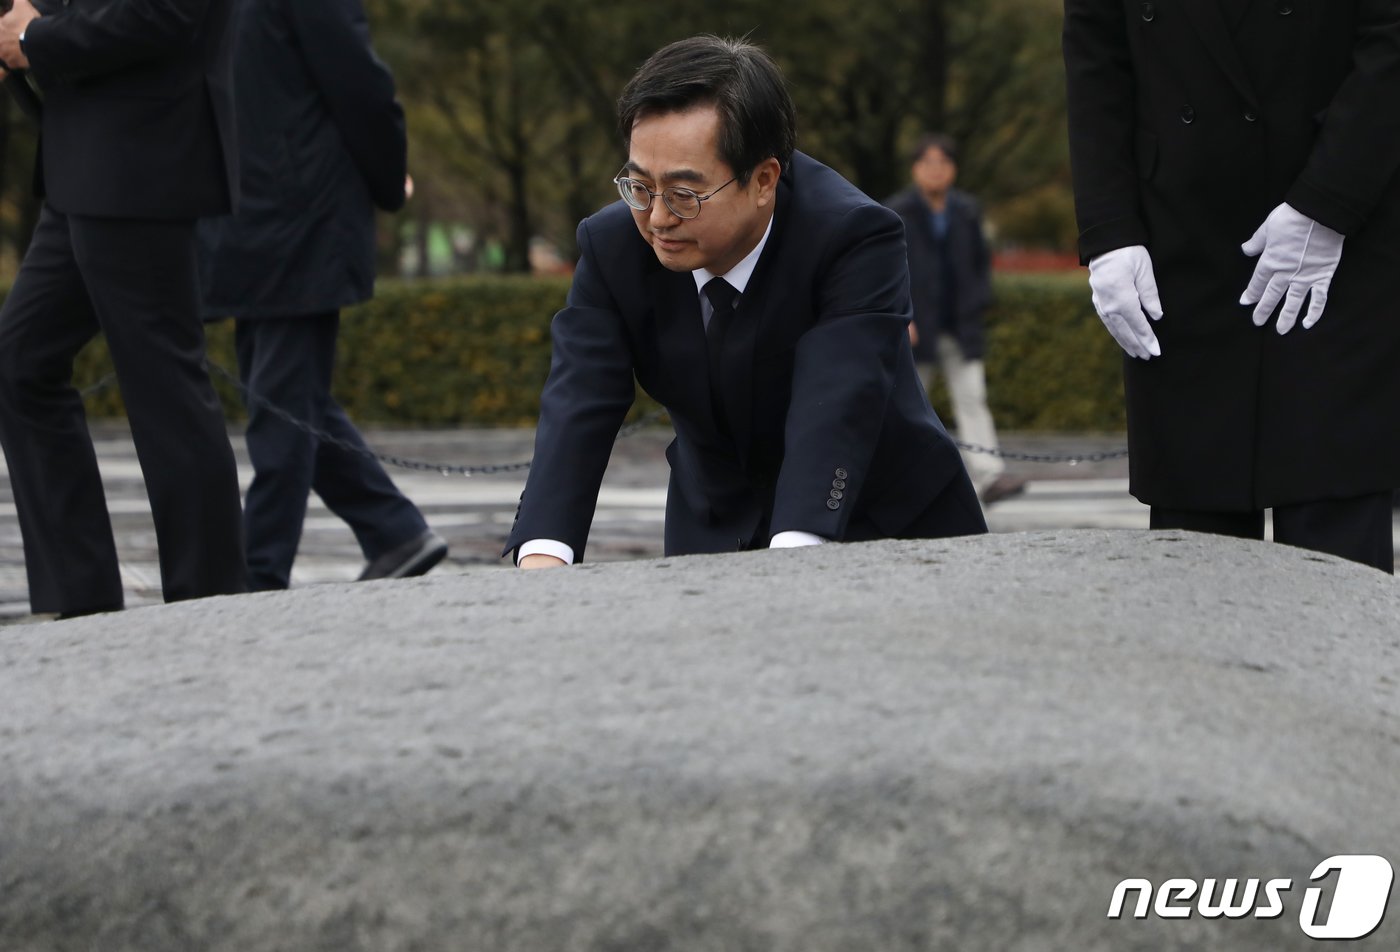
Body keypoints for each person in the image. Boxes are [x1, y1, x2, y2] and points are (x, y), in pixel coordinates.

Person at [505, 35, 987, 569]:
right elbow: (580, 398)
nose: (658, 218)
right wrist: (544, 553)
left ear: (763, 180)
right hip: (712, 524)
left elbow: (837, 399)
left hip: (882, 526)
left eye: (685, 194)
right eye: (639, 185)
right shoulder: (614, 244)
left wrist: (794, 555)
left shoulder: (853, 236)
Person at [1063, 0, 1400, 573]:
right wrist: (1108, 231)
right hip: (1179, 242)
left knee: (1335, 532)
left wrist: (1327, 203)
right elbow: (1096, 57)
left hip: (1344, 241)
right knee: (1195, 546)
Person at [0, 0, 247, 616]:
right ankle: (80, 597)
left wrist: (35, 37)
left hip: (140, 157)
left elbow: (164, 15)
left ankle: (209, 598)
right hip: (86, 159)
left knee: (163, 382)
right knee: (18, 362)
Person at [197, 0, 447, 591]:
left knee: (281, 404)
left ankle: (258, 573)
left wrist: (387, 180)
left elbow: (360, 88)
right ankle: (393, 530)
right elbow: (359, 86)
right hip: (278, 212)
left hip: (291, 216)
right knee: (287, 395)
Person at [886, 134, 1027, 506]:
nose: (935, 170)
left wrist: (979, 302)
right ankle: (898, 480)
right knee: (908, 405)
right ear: (915, 169)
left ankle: (989, 477)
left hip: (960, 325)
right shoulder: (898, 210)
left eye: (943, 163)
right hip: (916, 325)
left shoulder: (966, 210)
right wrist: (901, 312)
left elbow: (981, 263)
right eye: (927, 163)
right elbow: (887, 269)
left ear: (953, 169)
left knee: (973, 398)